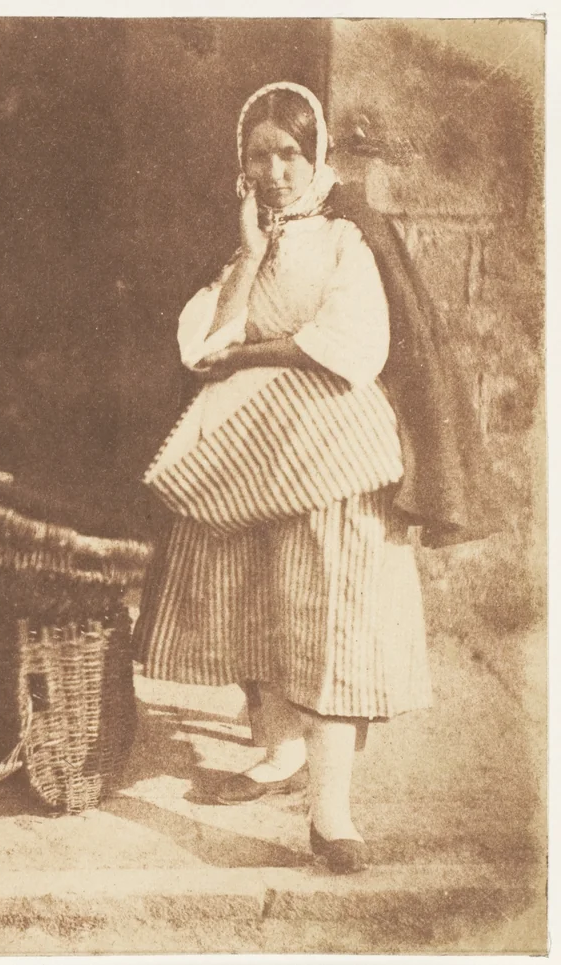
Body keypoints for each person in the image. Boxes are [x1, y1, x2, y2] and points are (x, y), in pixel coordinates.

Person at [134, 83, 496, 873]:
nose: (276, 171)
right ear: (242, 165)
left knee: (333, 619)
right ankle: (276, 750)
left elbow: (354, 342)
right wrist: (253, 254)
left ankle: (331, 812)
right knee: (257, 600)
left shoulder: (347, 235)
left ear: (316, 153)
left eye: (289, 153)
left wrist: (259, 350)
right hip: (247, 453)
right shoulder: (243, 244)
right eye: (258, 156)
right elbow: (200, 345)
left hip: (332, 448)